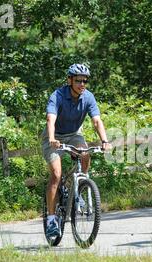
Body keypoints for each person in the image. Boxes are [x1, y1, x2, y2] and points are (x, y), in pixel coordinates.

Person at [41, 63, 111, 238]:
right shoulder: (57, 96)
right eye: (78, 80)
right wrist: (51, 138)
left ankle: (79, 186)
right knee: (56, 174)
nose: (82, 84)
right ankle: (51, 219)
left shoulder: (88, 97)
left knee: (85, 153)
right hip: (54, 136)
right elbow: (51, 118)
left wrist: (104, 140)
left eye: (85, 81)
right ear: (70, 80)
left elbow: (96, 121)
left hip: (73, 135)